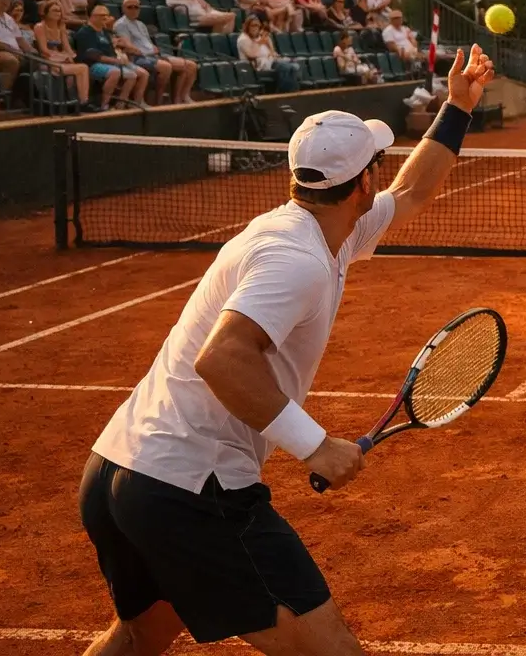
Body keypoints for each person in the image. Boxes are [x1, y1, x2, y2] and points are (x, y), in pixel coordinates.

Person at [77, 49, 495, 656]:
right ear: (362, 183)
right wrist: (315, 445)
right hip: (188, 487)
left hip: (118, 467)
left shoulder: (317, 229)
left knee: (143, 637)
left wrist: (457, 107)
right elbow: (222, 358)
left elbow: (412, 192)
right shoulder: (296, 260)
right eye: (376, 167)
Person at [115, 0, 196, 105]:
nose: (133, 10)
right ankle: (158, 101)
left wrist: (153, 48)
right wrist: (147, 51)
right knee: (166, 67)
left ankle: (180, 98)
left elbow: (147, 42)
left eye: (136, 7)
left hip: (152, 55)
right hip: (138, 57)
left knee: (190, 66)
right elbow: (128, 46)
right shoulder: (121, 24)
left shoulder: (141, 24)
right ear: (123, 9)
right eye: (130, 7)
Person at [76, 5, 148, 108]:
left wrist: (122, 55)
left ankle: (124, 104)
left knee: (139, 74)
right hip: (93, 64)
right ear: (93, 16)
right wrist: (116, 61)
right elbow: (93, 56)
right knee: (115, 72)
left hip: (112, 61)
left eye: (107, 15)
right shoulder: (85, 32)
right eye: (102, 15)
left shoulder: (104, 32)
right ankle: (104, 104)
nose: (106, 18)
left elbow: (112, 50)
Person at [35, 0, 99, 110]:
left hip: (61, 59)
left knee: (81, 68)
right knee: (83, 68)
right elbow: (44, 50)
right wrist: (63, 57)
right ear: (46, 12)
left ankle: (79, 101)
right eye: (54, 10)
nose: (58, 13)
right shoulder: (40, 26)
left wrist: (72, 56)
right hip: (46, 61)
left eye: (59, 11)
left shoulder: (61, 26)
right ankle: (83, 102)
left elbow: (67, 47)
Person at [237, 13, 299, 92]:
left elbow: (272, 52)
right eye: (253, 25)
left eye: (258, 26)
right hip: (259, 64)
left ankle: (292, 92)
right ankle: (284, 92)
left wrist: (270, 46)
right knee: (285, 67)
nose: (256, 28)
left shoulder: (260, 37)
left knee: (295, 66)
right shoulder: (243, 39)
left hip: (271, 60)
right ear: (247, 26)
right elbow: (251, 55)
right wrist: (260, 42)